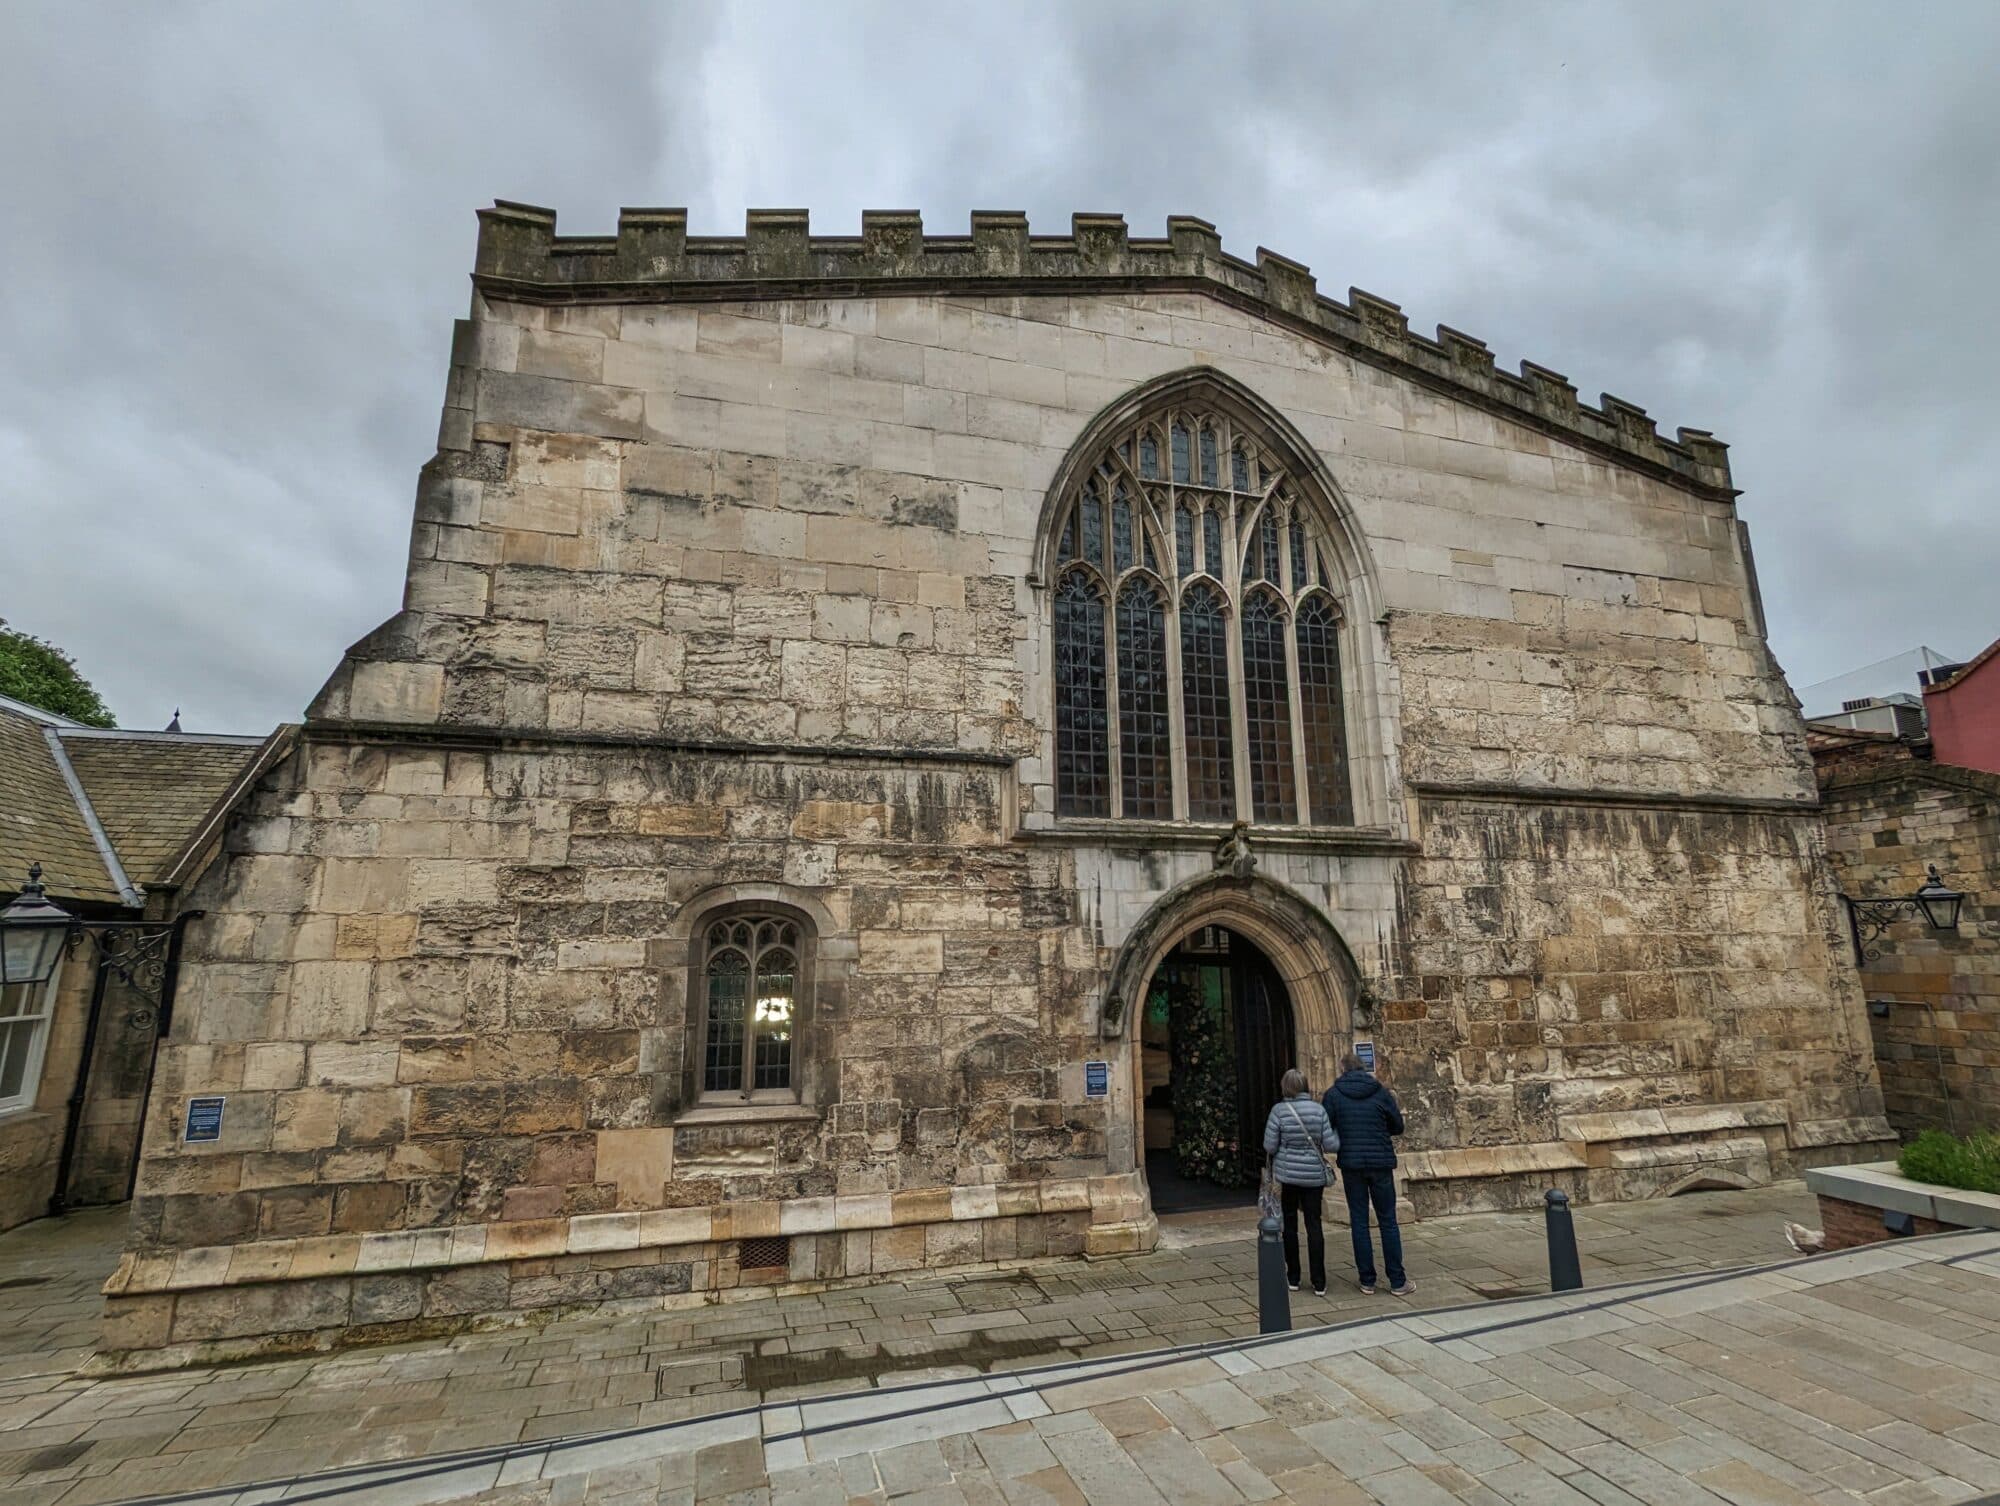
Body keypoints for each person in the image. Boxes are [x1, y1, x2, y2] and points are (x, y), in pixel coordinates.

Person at [1323, 1050, 1411, 1296]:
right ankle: (1397, 1280)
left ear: (1342, 1069)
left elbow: (1325, 1127)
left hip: (1352, 1164)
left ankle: (1367, 1280)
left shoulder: (1334, 1094)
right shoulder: (1380, 1092)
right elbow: (1397, 1126)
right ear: (1363, 1069)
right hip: (1380, 1162)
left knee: (1359, 1222)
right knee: (1388, 1221)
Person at [1261, 1068, 1339, 1295]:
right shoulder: (1318, 1110)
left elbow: (1269, 1146)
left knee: (1290, 1226)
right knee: (1314, 1225)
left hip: (1287, 1176)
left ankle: (1293, 1277)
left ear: (1286, 1087)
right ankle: (1319, 1281)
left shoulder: (1279, 1111)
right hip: (1313, 1177)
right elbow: (1331, 1145)